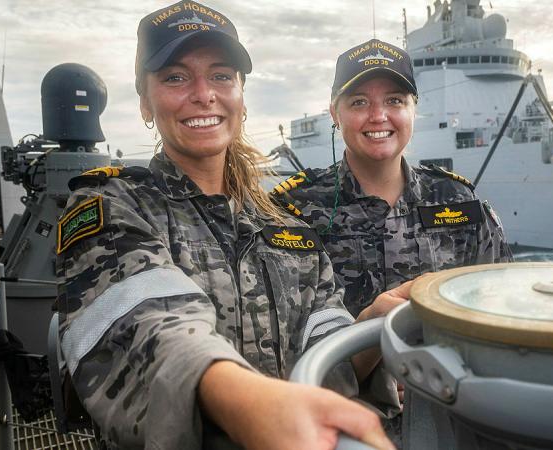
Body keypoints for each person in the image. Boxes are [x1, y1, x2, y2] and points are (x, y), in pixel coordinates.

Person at [55, 3, 402, 449]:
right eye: (176, 77)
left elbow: (327, 357)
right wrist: (252, 405)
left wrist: (372, 326)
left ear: (241, 94)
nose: (204, 94)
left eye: (221, 75)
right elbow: (148, 331)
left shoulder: (287, 230)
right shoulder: (112, 207)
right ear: (145, 101)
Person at [272, 38, 512, 319]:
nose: (378, 116)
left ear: (413, 110)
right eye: (359, 102)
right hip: (329, 364)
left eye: (394, 100)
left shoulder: (459, 201)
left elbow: (502, 308)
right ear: (335, 113)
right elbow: (281, 336)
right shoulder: (291, 211)